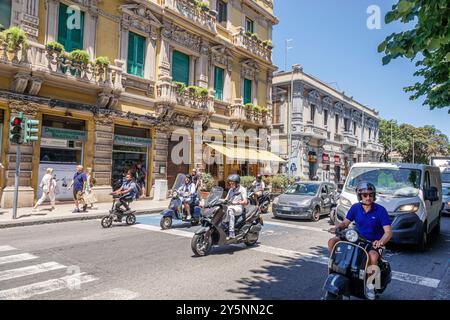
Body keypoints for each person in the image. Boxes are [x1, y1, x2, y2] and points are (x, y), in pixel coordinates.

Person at [327, 181, 393, 300]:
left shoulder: (380, 210)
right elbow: (345, 223)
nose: (368, 197)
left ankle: (371, 285)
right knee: (332, 242)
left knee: (372, 256)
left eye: (370, 195)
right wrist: (337, 228)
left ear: (374, 195)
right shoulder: (355, 208)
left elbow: (388, 232)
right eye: (365, 195)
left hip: (373, 243)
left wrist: (380, 242)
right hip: (357, 238)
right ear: (360, 196)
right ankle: (335, 269)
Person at [224, 174, 248, 239]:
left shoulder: (242, 189)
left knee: (230, 210)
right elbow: (226, 199)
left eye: (232, 183)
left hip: (239, 207)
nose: (231, 185)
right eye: (230, 183)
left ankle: (231, 232)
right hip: (230, 206)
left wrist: (237, 202)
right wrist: (219, 200)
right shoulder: (231, 190)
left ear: (237, 183)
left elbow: (245, 201)